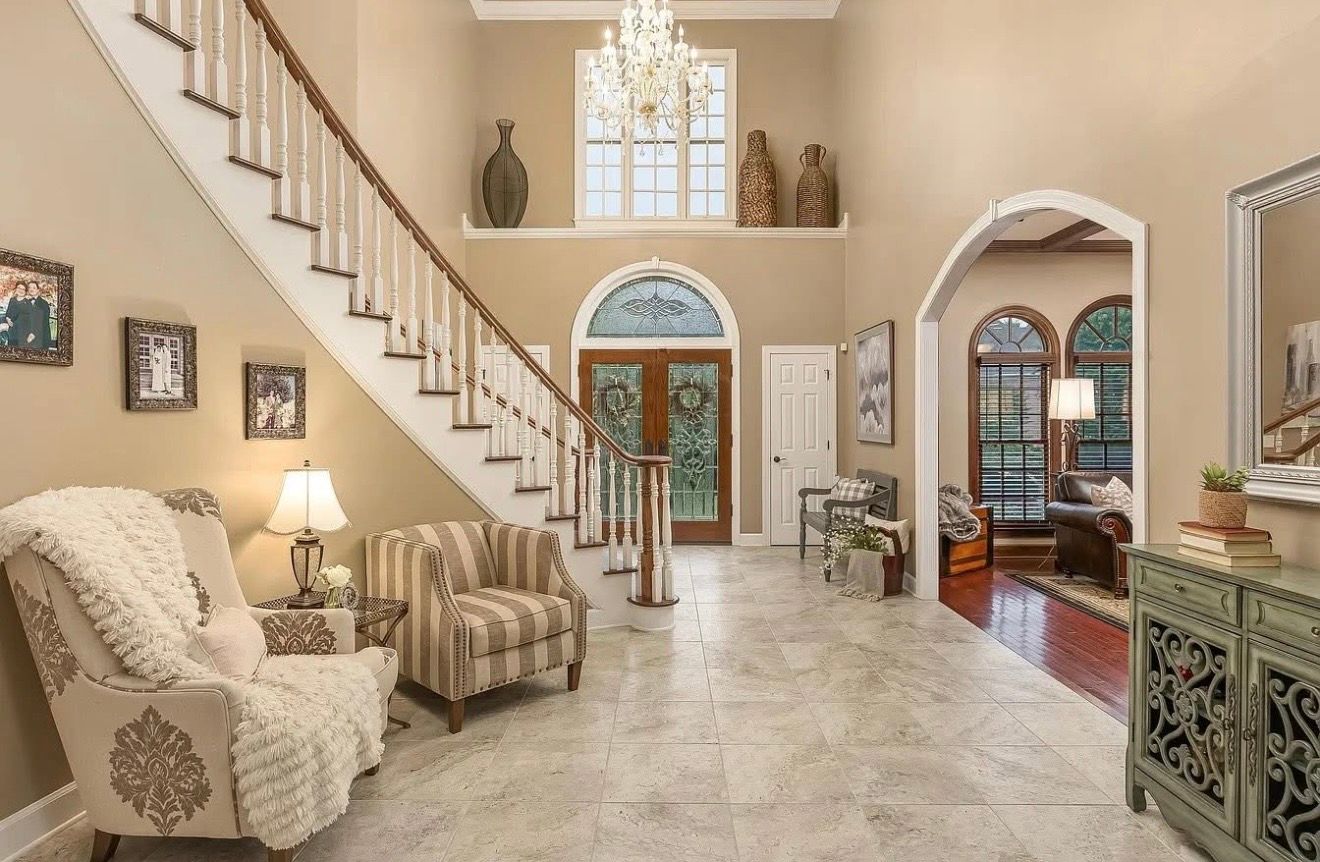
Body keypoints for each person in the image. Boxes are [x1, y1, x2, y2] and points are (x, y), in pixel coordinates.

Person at [2, 283, 32, 349]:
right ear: (16, 289)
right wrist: (8, 319)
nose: (20, 290)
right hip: (11, 329)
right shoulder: (12, 300)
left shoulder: (28, 303)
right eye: (19, 288)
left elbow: (28, 319)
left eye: (23, 289)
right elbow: (7, 313)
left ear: (25, 291)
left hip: (22, 331)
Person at [27, 282, 51, 350]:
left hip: (41, 337)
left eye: (34, 288)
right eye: (29, 287)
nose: (31, 289)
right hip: (28, 338)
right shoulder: (26, 302)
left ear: (38, 290)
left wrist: (34, 334)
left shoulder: (44, 304)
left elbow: (44, 322)